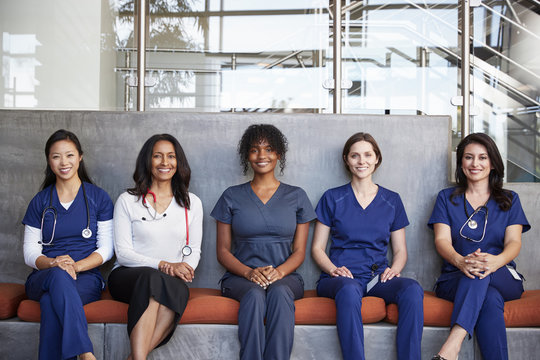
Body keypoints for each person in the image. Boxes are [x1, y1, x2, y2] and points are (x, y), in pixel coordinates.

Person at [311, 132, 424, 360]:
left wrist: (395, 268)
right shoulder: (332, 198)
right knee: (350, 290)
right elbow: (317, 248)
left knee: (412, 289)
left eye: (367, 155)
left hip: (376, 278)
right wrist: (332, 269)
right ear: (346, 160)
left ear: (377, 159)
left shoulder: (392, 200)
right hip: (340, 278)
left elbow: (400, 250)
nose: (361, 161)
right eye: (355, 156)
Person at [211, 124, 316, 360]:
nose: (262, 156)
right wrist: (249, 273)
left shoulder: (296, 196)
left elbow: (299, 251)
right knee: (255, 294)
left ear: (278, 154)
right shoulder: (231, 195)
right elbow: (223, 251)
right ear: (247, 155)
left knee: (279, 293)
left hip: (287, 277)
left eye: (269, 149)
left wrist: (278, 273)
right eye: (255, 150)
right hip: (239, 278)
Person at [428, 133, 530, 360]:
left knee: (481, 271)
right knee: (490, 299)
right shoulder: (446, 198)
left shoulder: (509, 199)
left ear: (492, 163)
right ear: (461, 163)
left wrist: (495, 262)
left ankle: (452, 345)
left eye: (483, 158)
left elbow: (514, 243)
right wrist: (460, 260)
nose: (475, 164)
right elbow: (441, 241)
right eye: (469, 157)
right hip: (455, 276)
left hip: (503, 274)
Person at [108, 134, 203, 360]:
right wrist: (164, 265)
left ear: (178, 162)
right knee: (152, 279)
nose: (164, 162)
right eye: (157, 156)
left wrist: (185, 269)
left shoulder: (192, 203)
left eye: (171, 156)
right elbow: (123, 253)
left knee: (170, 288)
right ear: (147, 161)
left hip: (169, 281)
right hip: (127, 277)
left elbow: (194, 249)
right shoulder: (127, 201)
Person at [22, 129, 114, 360]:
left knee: (50, 303)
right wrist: (53, 262)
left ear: (80, 157)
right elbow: (30, 252)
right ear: (48, 160)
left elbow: (106, 249)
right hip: (43, 277)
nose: (63, 162)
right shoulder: (40, 201)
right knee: (57, 276)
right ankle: (85, 352)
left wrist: (77, 266)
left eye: (69, 155)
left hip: (85, 278)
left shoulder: (98, 198)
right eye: (56, 156)